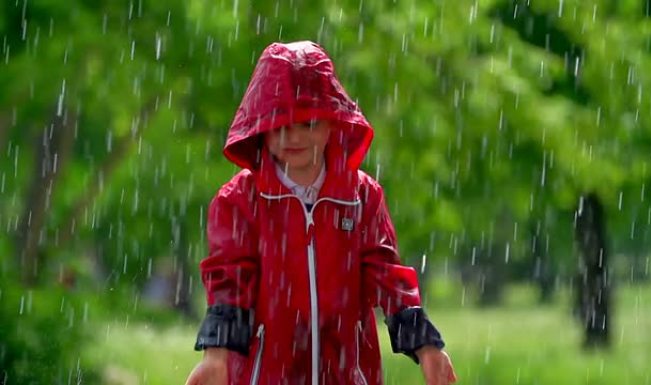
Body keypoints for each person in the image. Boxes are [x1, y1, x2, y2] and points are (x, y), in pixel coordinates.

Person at [184, 41, 457, 385]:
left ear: (333, 123)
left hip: (346, 373)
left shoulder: (361, 197)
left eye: (307, 123)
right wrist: (216, 355)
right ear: (261, 128)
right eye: (279, 124)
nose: (292, 136)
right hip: (266, 375)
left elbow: (387, 277)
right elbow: (230, 283)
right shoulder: (239, 201)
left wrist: (426, 346)